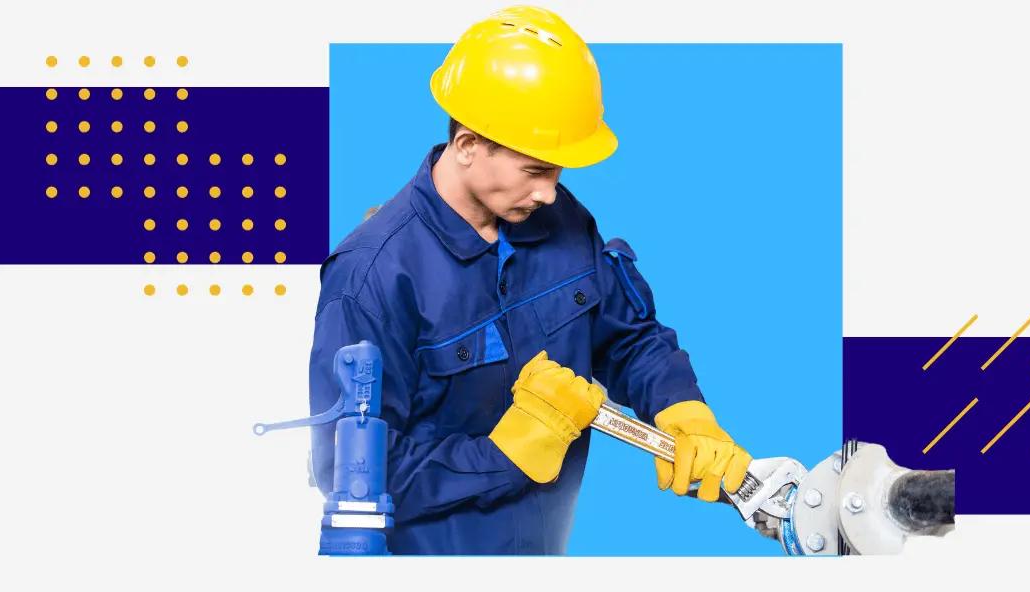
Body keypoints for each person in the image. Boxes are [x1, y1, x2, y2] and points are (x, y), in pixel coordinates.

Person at [308, 5, 750, 555]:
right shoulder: (372, 276)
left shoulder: (559, 218)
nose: (549, 191)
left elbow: (626, 338)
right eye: (536, 170)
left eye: (557, 170)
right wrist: (502, 456)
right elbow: (345, 472)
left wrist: (681, 406)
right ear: (468, 145)